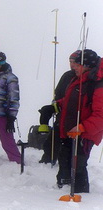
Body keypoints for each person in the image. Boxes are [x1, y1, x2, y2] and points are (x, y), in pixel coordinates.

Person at [53, 49, 103, 193]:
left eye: (77, 64)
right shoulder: (80, 78)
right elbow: (74, 101)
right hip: (70, 129)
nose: (73, 66)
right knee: (65, 159)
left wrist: (82, 128)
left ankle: (81, 196)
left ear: (87, 65)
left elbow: (100, 115)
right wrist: (55, 106)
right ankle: (62, 188)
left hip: (85, 133)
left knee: (78, 164)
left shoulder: (97, 83)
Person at [37, 50, 79, 164]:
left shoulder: (82, 78)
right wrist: (54, 106)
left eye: (74, 61)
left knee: (69, 143)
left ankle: (67, 163)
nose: (72, 64)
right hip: (62, 111)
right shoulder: (67, 75)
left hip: (75, 115)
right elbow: (58, 92)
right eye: (70, 61)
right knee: (53, 138)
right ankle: (48, 158)